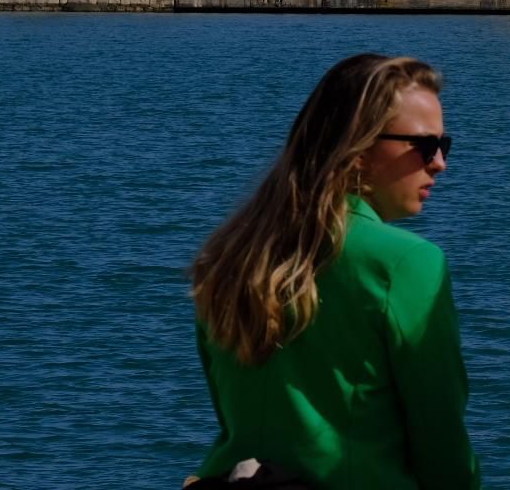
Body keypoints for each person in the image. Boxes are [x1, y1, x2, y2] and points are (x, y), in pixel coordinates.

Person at [189, 54, 479, 490]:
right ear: (357, 149)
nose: (439, 163)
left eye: (444, 145)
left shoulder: (226, 254)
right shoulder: (407, 263)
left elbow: (232, 415)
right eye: (423, 146)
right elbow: (440, 440)